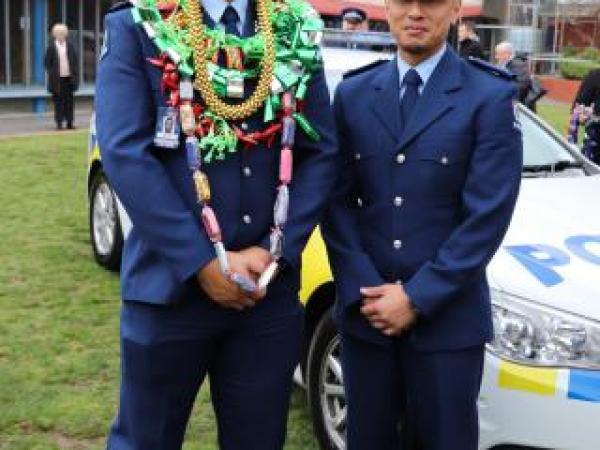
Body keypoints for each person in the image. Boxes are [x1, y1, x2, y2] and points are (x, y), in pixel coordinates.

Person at [95, 0, 337, 448]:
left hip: (265, 295)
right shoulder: (139, 22)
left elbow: (320, 151)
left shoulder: (294, 25)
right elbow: (125, 151)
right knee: (145, 440)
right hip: (170, 291)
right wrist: (202, 262)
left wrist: (275, 252)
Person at [322, 0, 522, 448]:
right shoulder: (354, 93)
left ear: (453, 10)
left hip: (447, 324)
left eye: (429, 2)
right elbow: (335, 201)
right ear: (386, 9)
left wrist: (416, 297)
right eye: (403, 1)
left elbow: (486, 216)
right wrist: (364, 290)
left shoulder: (487, 95)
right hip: (366, 318)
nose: (415, 12)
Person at [44, 23, 79, 130]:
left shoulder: (70, 46)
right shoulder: (51, 47)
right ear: (54, 35)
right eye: (58, 34)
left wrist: (75, 74)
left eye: (63, 34)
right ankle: (59, 123)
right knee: (58, 102)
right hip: (57, 80)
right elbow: (46, 63)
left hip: (69, 78)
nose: (61, 36)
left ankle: (69, 122)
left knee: (69, 102)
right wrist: (52, 72)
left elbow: (74, 61)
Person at [495, 41, 532, 106]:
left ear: (507, 54)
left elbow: (521, 85)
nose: (496, 57)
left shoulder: (519, 65)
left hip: (517, 105)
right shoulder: (504, 65)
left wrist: (511, 100)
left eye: (498, 54)